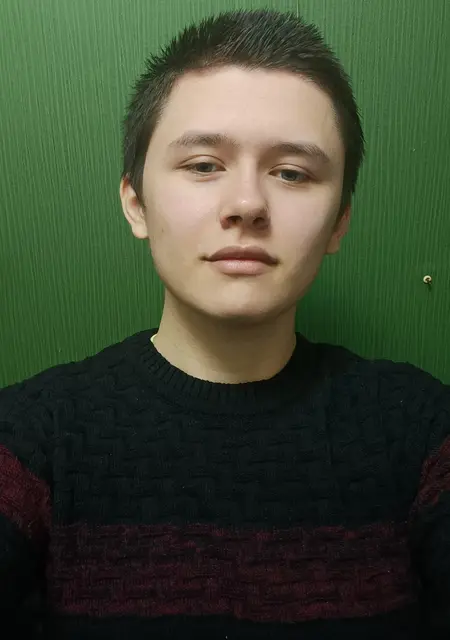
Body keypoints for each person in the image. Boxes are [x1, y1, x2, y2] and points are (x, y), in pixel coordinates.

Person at [0, 7, 448, 639]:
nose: (246, 205)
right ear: (136, 202)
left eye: (291, 173)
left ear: (339, 222)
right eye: (204, 165)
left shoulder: (423, 430)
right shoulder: (29, 439)